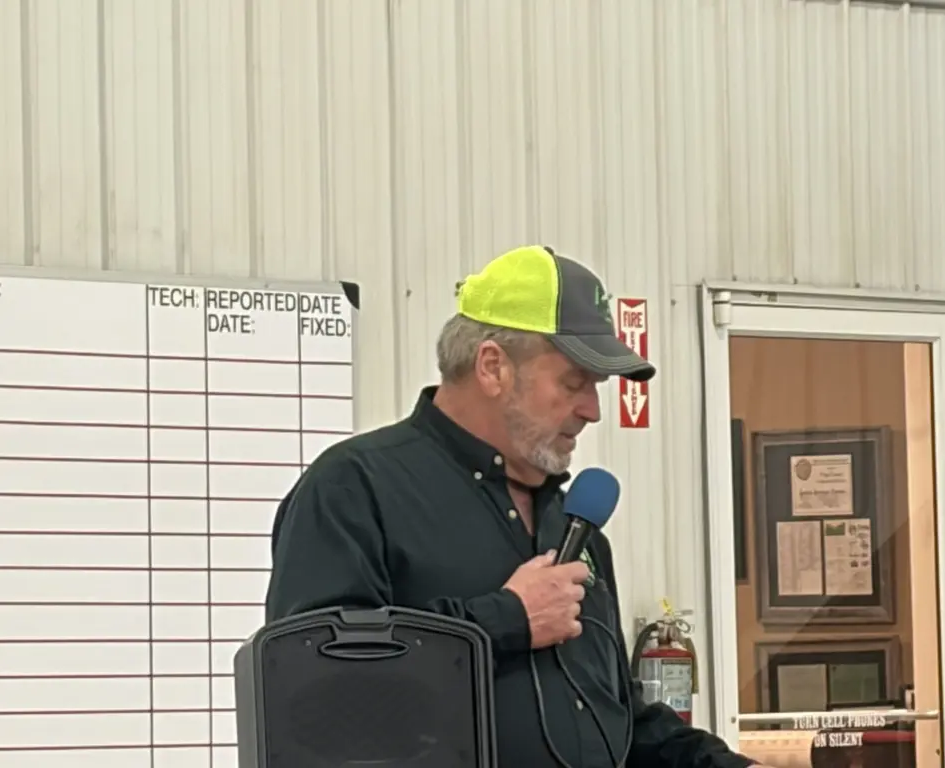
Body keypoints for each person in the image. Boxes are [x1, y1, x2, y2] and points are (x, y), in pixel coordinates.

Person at [266, 245, 771, 767]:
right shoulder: (355, 488)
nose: (593, 410)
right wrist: (504, 620)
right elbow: (317, 697)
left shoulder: (574, 527)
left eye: (596, 387)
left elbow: (619, 720)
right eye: (574, 382)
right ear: (492, 367)